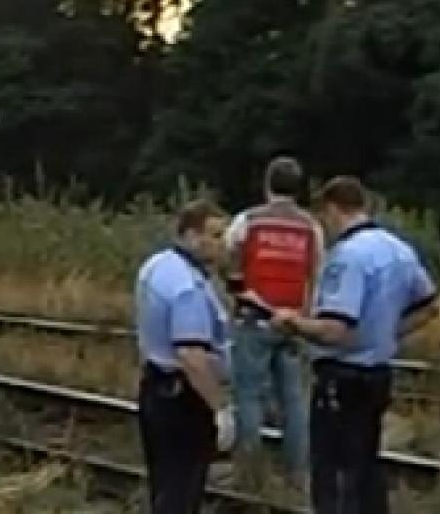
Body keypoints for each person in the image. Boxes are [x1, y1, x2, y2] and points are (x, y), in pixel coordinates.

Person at [270, 176, 439, 514]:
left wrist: (292, 323)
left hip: (340, 378)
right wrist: (388, 333)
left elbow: (335, 329)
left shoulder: (347, 257)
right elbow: (429, 306)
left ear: (332, 209)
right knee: (365, 466)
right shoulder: (399, 250)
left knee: (333, 473)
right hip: (378, 374)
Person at [135, 199, 237, 514]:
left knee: (165, 485)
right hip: (184, 399)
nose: (224, 245)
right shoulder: (187, 287)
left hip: (155, 386)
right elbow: (192, 355)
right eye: (216, 236)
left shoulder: (156, 266)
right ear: (192, 236)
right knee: (183, 488)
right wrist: (219, 408)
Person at [224, 156, 322, 482]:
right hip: (294, 321)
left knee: (248, 395)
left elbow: (230, 260)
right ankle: (297, 473)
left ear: (267, 184)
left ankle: (250, 471)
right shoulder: (311, 227)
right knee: (294, 400)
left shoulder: (248, 221)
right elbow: (317, 272)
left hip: (253, 317)